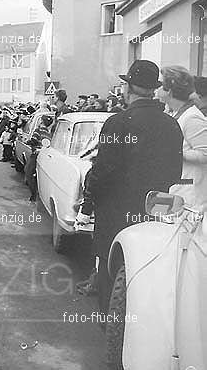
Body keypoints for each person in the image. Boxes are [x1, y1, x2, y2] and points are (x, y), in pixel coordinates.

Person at [83, 60, 183, 314]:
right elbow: (175, 172)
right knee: (146, 268)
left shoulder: (118, 123)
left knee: (111, 267)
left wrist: (88, 201)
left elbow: (102, 170)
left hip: (116, 211)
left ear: (128, 88)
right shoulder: (171, 125)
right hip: (154, 209)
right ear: (152, 89)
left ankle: (111, 328)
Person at [157, 66, 207, 213]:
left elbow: (205, 154)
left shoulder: (192, 118)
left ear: (170, 91)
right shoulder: (175, 114)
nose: (156, 90)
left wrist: (175, 153)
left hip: (191, 197)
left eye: (160, 85)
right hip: (178, 190)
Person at [25, 114, 54, 202]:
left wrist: (27, 142)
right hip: (44, 154)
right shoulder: (48, 133)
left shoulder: (38, 130)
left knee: (28, 172)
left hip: (36, 154)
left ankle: (34, 195)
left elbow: (34, 140)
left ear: (41, 122)